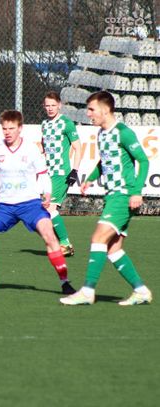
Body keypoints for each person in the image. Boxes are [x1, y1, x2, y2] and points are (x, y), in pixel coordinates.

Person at [0, 110, 75, 295]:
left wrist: (47, 193)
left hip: (30, 204)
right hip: (4, 205)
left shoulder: (31, 149)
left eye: (11, 128)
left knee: (49, 234)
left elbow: (43, 175)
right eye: (4, 129)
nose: (7, 132)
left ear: (20, 128)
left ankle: (65, 282)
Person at [60, 91, 152, 306]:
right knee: (113, 249)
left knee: (98, 238)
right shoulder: (102, 134)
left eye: (92, 109)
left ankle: (87, 290)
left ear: (106, 109)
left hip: (123, 195)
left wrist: (137, 191)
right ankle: (141, 291)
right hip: (112, 196)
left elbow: (143, 161)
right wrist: (90, 178)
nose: (88, 114)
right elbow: (105, 161)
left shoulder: (123, 133)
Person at [41, 91, 82, 256]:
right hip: (47, 173)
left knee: (50, 208)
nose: (50, 108)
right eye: (47, 105)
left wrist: (74, 171)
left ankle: (65, 244)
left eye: (53, 105)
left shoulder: (66, 123)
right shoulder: (45, 124)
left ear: (59, 105)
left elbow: (78, 147)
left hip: (61, 173)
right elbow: (44, 147)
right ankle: (61, 244)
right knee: (44, 210)